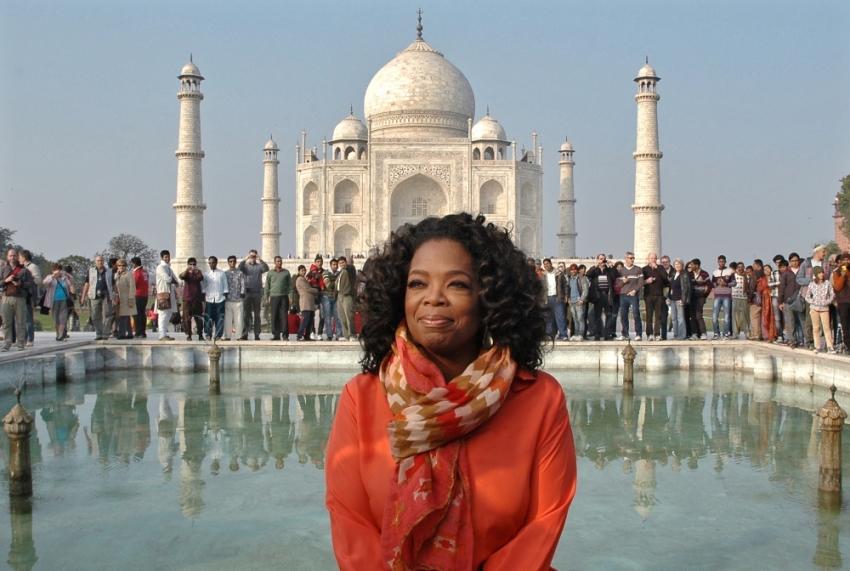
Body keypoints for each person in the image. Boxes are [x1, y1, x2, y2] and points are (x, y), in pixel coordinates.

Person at [325, 213, 576, 570]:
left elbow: (542, 526)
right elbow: (352, 527)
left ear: (489, 297)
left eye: (456, 285)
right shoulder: (362, 399)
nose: (433, 299)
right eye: (417, 284)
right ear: (399, 295)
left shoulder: (538, 399)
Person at [798, 245, 832, 349]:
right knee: (810, 321)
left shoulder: (825, 265)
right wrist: (812, 281)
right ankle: (810, 342)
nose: (824, 253)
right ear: (817, 252)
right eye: (823, 251)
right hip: (810, 296)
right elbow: (799, 279)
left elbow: (829, 279)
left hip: (823, 298)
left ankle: (828, 344)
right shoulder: (806, 264)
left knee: (825, 323)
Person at [0, 250, 34, 351]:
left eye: (14, 256)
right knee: (6, 322)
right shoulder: (3, 269)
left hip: (20, 298)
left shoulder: (24, 270)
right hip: (6, 297)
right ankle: (6, 343)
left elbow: (31, 283)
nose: (12, 258)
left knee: (20, 322)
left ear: (17, 257)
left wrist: (21, 283)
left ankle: (20, 343)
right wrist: (6, 280)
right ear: (7, 257)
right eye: (10, 256)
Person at [79, 255, 114, 341]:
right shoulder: (91, 271)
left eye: (101, 260)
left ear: (104, 261)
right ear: (95, 262)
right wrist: (83, 296)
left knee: (107, 314)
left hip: (106, 295)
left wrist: (115, 296)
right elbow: (87, 284)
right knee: (94, 315)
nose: (100, 262)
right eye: (98, 261)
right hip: (94, 295)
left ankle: (105, 334)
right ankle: (99, 333)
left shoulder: (109, 271)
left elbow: (114, 284)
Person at [237, 250, 269, 340]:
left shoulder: (259, 267)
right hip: (247, 292)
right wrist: (245, 259)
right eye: (251, 256)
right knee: (246, 314)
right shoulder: (245, 267)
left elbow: (266, 268)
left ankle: (257, 334)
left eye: (254, 256)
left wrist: (261, 260)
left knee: (257, 314)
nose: (252, 258)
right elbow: (239, 268)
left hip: (257, 292)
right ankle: (245, 333)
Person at [586, 254, 617, 341]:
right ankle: (597, 334)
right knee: (597, 316)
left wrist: (612, 266)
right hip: (598, 295)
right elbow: (588, 274)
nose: (602, 260)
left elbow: (615, 276)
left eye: (604, 259)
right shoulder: (595, 270)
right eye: (601, 259)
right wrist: (596, 265)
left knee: (608, 315)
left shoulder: (608, 270)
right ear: (597, 259)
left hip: (607, 294)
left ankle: (607, 334)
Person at [805, 266, 835, 353]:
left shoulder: (827, 283)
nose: (821, 274)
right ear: (816, 274)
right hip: (814, 308)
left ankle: (830, 346)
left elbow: (832, 294)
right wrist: (813, 301)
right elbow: (807, 296)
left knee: (827, 327)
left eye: (822, 272)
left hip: (824, 308)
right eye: (819, 273)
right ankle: (817, 346)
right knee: (816, 328)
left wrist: (827, 302)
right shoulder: (812, 284)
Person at [41, 263, 74, 341]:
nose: (58, 272)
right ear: (53, 270)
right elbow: (44, 283)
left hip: (64, 299)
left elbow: (72, 281)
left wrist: (68, 275)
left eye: (59, 269)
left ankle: (61, 335)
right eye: (56, 269)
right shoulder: (51, 278)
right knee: (56, 317)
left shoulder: (64, 278)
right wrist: (53, 275)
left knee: (63, 317)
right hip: (55, 300)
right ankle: (58, 333)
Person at [617, 252, 644, 340]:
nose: (632, 259)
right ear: (626, 259)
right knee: (623, 315)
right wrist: (623, 281)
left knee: (636, 314)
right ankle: (625, 333)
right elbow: (618, 285)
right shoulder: (621, 271)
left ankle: (638, 334)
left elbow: (641, 282)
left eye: (633, 258)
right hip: (623, 295)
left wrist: (634, 291)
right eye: (630, 258)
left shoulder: (638, 269)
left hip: (633, 295)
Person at [264, 256, 291, 341]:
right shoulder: (270, 273)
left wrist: (291, 296)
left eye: (280, 261)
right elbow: (267, 286)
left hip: (284, 296)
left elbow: (290, 286)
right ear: (275, 262)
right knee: (274, 316)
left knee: (284, 316)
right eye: (278, 261)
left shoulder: (286, 272)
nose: (279, 263)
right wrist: (266, 297)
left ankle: (285, 335)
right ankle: (276, 335)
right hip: (274, 296)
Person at [642, 252, 668, 341]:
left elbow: (665, 277)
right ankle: (649, 334)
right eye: (651, 258)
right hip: (648, 295)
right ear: (648, 259)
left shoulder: (660, 268)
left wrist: (657, 268)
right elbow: (640, 282)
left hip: (659, 295)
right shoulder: (644, 269)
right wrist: (647, 281)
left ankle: (657, 334)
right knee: (649, 316)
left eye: (654, 258)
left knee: (658, 315)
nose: (653, 260)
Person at [179, 258, 206, 341]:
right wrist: (187, 270)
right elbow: (181, 276)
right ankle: (189, 335)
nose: (192, 266)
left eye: (194, 264)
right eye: (190, 264)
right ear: (188, 265)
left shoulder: (198, 273)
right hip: (187, 298)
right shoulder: (186, 274)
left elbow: (201, 278)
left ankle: (200, 334)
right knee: (187, 318)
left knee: (198, 317)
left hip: (197, 298)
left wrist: (196, 271)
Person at [18, 250, 41, 347]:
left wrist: (27, 281)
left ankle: (30, 339)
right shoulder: (20, 268)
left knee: (28, 318)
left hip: (29, 295)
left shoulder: (32, 267)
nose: (18, 259)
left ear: (24, 258)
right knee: (21, 318)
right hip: (20, 295)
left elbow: (38, 280)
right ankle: (23, 338)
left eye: (19, 257)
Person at [203, 256, 229, 341]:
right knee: (208, 317)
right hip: (209, 299)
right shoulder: (206, 274)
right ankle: (208, 334)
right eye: (210, 263)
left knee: (220, 317)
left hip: (219, 299)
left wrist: (224, 296)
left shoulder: (221, 273)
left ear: (216, 263)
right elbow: (203, 287)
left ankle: (218, 335)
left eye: (213, 262)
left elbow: (225, 286)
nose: (211, 264)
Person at [155, 250, 178, 341]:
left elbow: (175, 279)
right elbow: (168, 279)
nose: (167, 258)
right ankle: (161, 335)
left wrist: (174, 280)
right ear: (162, 258)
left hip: (169, 294)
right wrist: (173, 280)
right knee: (163, 315)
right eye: (165, 257)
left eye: (168, 257)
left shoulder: (168, 268)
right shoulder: (160, 267)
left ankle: (164, 333)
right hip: (163, 294)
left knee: (168, 315)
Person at [711, 255, 734, 340]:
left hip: (726, 296)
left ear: (725, 262)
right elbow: (712, 284)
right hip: (717, 295)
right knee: (714, 315)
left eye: (723, 261)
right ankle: (716, 333)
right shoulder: (715, 272)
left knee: (727, 316)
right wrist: (717, 283)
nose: (721, 263)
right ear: (717, 262)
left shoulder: (730, 271)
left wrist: (726, 284)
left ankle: (726, 333)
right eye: (720, 261)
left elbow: (734, 283)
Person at [223, 256, 245, 341]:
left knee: (239, 320)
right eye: (230, 261)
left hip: (238, 300)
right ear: (228, 262)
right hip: (228, 299)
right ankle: (227, 336)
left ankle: (238, 336)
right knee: (227, 320)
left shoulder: (240, 273)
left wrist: (242, 293)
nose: (232, 263)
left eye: (233, 261)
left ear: (236, 262)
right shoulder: (225, 273)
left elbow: (243, 284)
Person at [668, 258, 691, 340]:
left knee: (680, 318)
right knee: (674, 318)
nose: (677, 266)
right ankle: (675, 335)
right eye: (676, 264)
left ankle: (682, 335)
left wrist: (683, 299)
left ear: (682, 265)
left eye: (679, 264)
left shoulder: (685, 274)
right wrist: (669, 297)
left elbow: (686, 288)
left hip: (679, 299)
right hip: (673, 299)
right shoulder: (674, 274)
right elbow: (671, 287)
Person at [320, 259, 343, 341]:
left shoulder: (339, 273)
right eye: (334, 264)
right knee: (328, 317)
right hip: (326, 297)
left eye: (336, 264)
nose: (335, 266)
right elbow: (328, 285)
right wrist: (337, 282)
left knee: (338, 317)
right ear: (330, 265)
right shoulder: (326, 273)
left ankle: (339, 335)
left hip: (335, 297)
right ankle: (329, 335)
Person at [113, 259, 136, 340]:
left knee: (124, 316)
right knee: (124, 316)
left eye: (123, 265)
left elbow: (132, 287)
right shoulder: (116, 275)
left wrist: (131, 298)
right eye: (119, 265)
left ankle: (122, 333)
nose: (121, 267)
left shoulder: (128, 274)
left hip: (126, 297)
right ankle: (129, 333)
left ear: (126, 266)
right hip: (119, 297)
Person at [832, 252, 850, 352]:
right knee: (845, 324)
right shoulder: (837, 272)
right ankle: (848, 345)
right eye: (844, 260)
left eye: (848, 260)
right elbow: (838, 287)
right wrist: (843, 276)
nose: (846, 262)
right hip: (843, 301)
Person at [689, 259, 712, 340]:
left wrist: (704, 295)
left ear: (697, 265)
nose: (690, 266)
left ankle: (703, 333)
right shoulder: (690, 274)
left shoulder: (704, 274)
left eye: (692, 264)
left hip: (700, 297)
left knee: (699, 315)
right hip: (692, 297)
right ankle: (694, 333)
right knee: (692, 316)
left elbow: (709, 286)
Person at [295, 265, 318, 341]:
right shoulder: (300, 279)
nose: (304, 272)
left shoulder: (304, 279)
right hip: (305, 303)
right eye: (302, 271)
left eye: (304, 270)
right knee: (305, 320)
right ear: (299, 271)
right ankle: (299, 335)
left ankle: (307, 336)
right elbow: (307, 289)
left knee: (310, 321)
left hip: (310, 303)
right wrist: (316, 291)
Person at [336, 256, 355, 341]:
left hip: (347, 295)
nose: (342, 264)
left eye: (343, 262)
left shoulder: (349, 270)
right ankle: (346, 335)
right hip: (340, 296)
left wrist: (347, 266)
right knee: (342, 317)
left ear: (346, 262)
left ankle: (352, 335)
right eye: (340, 263)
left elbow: (349, 268)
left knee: (349, 316)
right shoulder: (340, 272)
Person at [758, 264, 777, 342]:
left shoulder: (775, 277)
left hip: (774, 297)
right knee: (766, 318)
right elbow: (759, 288)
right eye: (765, 269)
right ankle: (768, 335)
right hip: (766, 300)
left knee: (774, 318)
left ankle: (774, 335)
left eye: (768, 269)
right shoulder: (762, 279)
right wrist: (766, 285)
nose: (766, 271)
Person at [731, 262, 750, 339]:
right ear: (737, 268)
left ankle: (747, 332)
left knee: (746, 316)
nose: (741, 268)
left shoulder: (747, 276)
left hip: (745, 297)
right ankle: (735, 333)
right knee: (735, 316)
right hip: (736, 297)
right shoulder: (734, 276)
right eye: (739, 267)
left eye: (742, 267)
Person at [131, 257, 149, 338]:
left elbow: (133, 284)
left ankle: (138, 331)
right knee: (142, 313)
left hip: (138, 294)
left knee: (136, 314)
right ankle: (143, 331)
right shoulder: (145, 272)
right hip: (145, 294)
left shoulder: (137, 273)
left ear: (134, 264)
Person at [659, 255, 674, 340]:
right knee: (663, 317)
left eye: (666, 262)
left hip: (674, 296)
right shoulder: (659, 271)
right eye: (663, 262)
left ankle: (677, 335)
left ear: (669, 262)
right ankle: (663, 336)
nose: (665, 263)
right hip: (663, 296)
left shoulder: (674, 271)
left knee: (676, 317)